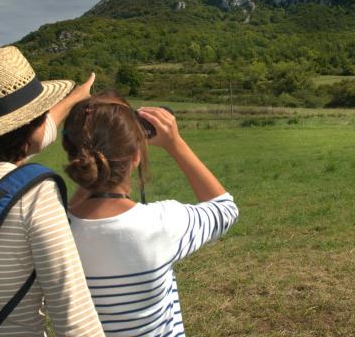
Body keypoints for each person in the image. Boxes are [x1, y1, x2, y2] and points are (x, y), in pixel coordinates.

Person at [0, 46, 104, 337]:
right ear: (30, 127)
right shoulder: (34, 195)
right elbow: (73, 313)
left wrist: (77, 96)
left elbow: (36, 134)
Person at [62, 90, 239, 337]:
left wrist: (93, 175)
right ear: (136, 156)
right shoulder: (160, 224)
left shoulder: (56, 232)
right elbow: (225, 209)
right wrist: (175, 143)